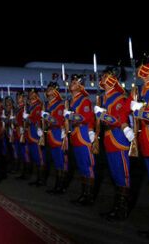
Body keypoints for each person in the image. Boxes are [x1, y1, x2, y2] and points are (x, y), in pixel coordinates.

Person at [128, 51, 149, 241]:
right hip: (147, 142)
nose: (141, 68)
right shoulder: (141, 90)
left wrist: (141, 112)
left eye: (145, 65)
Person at [94, 66, 133, 222]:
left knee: (123, 175)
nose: (101, 79)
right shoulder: (105, 97)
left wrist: (102, 115)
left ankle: (122, 210)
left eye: (104, 76)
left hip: (119, 139)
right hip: (109, 139)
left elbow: (119, 120)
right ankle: (117, 207)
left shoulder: (119, 97)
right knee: (115, 176)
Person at [64, 75, 96, 206]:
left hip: (83, 135)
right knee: (82, 166)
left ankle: (89, 196)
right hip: (75, 136)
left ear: (79, 86)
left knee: (88, 165)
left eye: (74, 82)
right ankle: (84, 194)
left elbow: (86, 117)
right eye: (71, 82)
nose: (71, 84)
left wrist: (71, 115)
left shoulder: (84, 100)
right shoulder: (71, 101)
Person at [42, 82, 68, 195]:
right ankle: (57, 185)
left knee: (62, 162)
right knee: (57, 162)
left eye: (51, 88)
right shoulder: (48, 105)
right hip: (51, 135)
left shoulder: (59, 105)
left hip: (57, 135)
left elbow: (58, 121)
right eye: (48, 88)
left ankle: (61, 187)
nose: (48, 90)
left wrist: (46, 116)